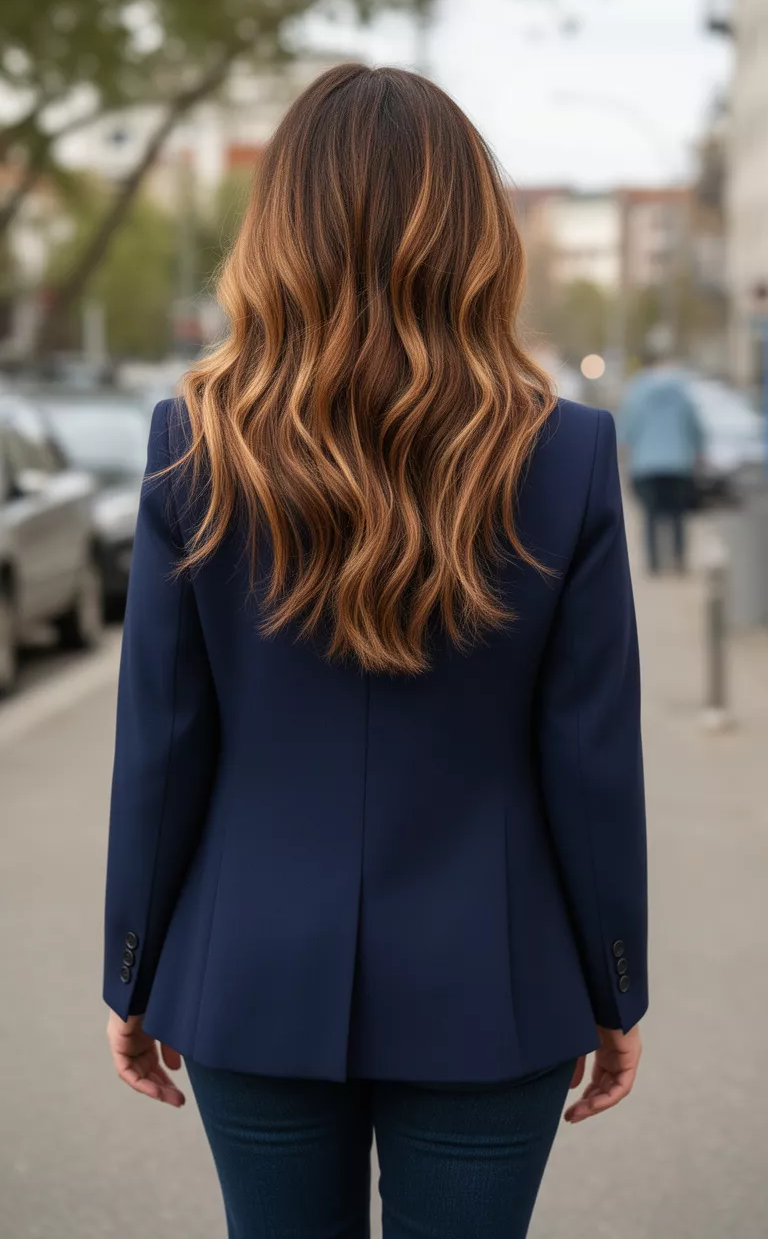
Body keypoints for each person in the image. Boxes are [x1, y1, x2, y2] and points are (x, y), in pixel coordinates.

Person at [103, 65, 648, 1239]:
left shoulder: (193, 443)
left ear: (278, 230)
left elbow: (163, 740)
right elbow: (591, 762)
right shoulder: (568, 456)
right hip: (496, 978)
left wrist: (134, 972)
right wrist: (615, 988)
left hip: (249, 960)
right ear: (476, 236)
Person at [618, 335, 705, 574]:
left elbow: (627, 429)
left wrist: (625, 457)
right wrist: (699, 452)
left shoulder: (636, 390)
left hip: (646, 464)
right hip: (679, 462)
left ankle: (655, 563)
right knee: (678, 515)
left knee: (651, 516)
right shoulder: (682, 389)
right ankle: (678, 560)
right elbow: (695, 425)